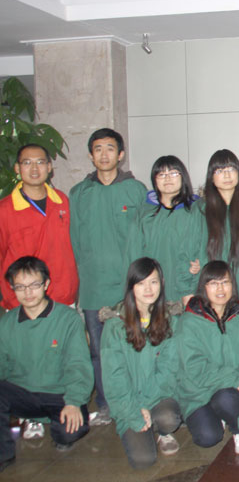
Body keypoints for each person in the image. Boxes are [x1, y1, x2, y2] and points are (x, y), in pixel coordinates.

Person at [69, 128, 147, 426]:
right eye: (98, 149)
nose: (104, 154)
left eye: (110, 148)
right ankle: (104, 404)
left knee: (134, 347)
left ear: (121, 154)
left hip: (129, 288)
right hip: (94, 287)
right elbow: (75, 242)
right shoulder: (80, 193)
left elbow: (143, 237)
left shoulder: (136, 190)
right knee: (98, 350)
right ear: (91, 155)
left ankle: (138, 401)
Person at [0, 257, 92, 472]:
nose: (28, 292)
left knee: (69, 433)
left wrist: (74, 401)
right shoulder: (6, 324)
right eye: (20, 287)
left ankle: (56, 426)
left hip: (58, 394)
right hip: (22, 393)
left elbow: (78, 364)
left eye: (34, 285)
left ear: (46, 284)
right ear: (12, 289)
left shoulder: (67, 319)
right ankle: (4, 454)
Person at [100, 257, 181, 469]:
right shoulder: (115, 325)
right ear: (131, 286)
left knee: (170, 418)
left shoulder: (170, 320)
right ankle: (139, 425)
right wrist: (133, 412)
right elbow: (114, 378)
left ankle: (161, 430)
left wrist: (144, 404)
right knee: (143, 461)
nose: (148, 289)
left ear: (162, 283)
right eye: (141, 283)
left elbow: (169, 372)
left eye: (153, 282)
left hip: (156, 398)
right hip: (127, 403)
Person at [175, 261, 239, 454]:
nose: (220, 289)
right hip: (199, 392)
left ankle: (237, 429)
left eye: (225, 282)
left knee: (225, 399)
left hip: (231, 392)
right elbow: (195, 368)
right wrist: (235, 380)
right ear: (204, 287)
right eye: (213, 283)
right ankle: (217, 415)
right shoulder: (190, 321)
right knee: (208, 437)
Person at [0, 144, 78, 310]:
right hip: (23, 300)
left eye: (40, 162)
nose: (34, 169)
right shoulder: (4, 210)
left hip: (62, 296)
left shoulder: (61, 201)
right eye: (27, 163)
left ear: (49, 167)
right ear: (17, 168)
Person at [192, 149, 239, 309]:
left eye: (231, 169)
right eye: (220, 170)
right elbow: (192, 249)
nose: (227, 175)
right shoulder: (200, 209)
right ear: (211, 177)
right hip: (214, 287)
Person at [126, 156, 199, 306]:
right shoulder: (144, 213)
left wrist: (194, 279)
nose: (167, 179)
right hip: (150, 289)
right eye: (161, 174)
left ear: (183, 177)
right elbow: (133, 253)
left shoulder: (197, 210)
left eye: (173, 173)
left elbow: (202, 250)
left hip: (186, 290)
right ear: (154, 180)